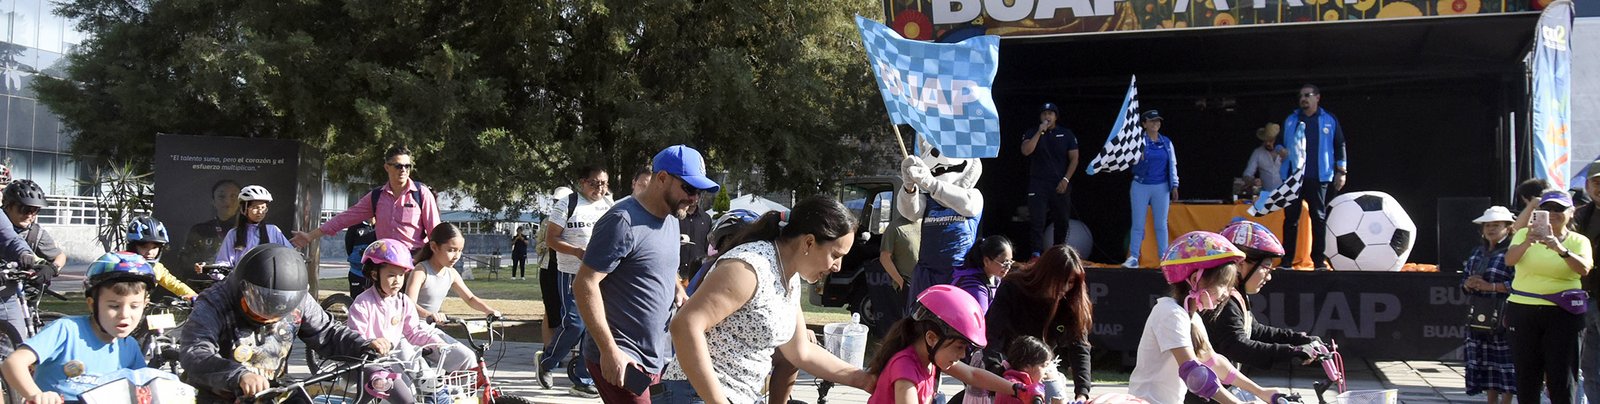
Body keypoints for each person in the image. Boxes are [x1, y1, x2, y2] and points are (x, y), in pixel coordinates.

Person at [661, 197, 874, 404]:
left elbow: (801, 351)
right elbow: (684, 325)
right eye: (836, 255)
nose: (837, 266)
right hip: (695, 394)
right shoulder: (748, 268)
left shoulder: (789, 276)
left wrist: (863, 379)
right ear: (808, 242)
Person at [575, 145, 718, 403]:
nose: (695, 198)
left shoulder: (673, 219)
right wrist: (609, 351)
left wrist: (677, 290)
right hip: (622, 356)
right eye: (689, 188)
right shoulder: (622, 221)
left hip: (655, 355)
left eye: (699, 192)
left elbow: (660, 263)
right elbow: (585, 284)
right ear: (662, 178)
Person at [179, 244, 389, 402]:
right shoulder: (214, 302)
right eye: (262, 302)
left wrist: (362, 344)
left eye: (281, 306)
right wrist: (238, 375)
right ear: (243, 288)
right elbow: (196, 352)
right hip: (219, 393)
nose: (271, 314)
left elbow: (327, 333)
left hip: (273, 391)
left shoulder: (297, 299)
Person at [1128, 232, 1283, 404]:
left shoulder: (1192, 317)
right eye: (1223, 284)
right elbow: (1193, 373)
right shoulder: (1170, 313)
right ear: (1196, 279)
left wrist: (1261, 392)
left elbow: (1214, 362)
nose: (1227, 293)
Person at [0, 252, 154, 404]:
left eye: (134, 306)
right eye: (114, 306)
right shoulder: (67, 330)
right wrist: (37, 395)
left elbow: (145, 388)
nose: (124, 314)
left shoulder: (130, 347)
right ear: (92, 304)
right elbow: (13, 363)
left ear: (144, 306)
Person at [348, 238, 475, 403]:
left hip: (395, 357)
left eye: (401, 275)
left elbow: (414, 331)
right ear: (374, 275)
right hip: (372, 362)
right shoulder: (363, 302)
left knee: (428, 378)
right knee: (406, 392)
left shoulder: (402, 301)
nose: (397, 281)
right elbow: (355, 334)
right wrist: (371, 342)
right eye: (391, 275)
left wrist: (435, 342)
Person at [867, 285, 1035, 404]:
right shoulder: (905, 369)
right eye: (959, 346)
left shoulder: (930, 357)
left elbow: (973, 375)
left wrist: (1017, 389)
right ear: (932, 338)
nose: (962, 355)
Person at [1503, 190, 1592, 404]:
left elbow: (1584, 269)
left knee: (1562, 376)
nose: (1552, 213)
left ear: (1571, 213)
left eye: (1559, 209)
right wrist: (1528, 242)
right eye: (1546, 209)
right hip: (1523, 308)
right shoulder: (1524, 234)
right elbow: (1509, 260)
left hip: (1563, 312)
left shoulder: (1579, 240)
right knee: (1527, 375)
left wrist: (1560, 248)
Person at [1201, 221, 1322, 371]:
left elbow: (1255, 331)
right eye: (1266, 268)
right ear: (1240, 264)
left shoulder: (1235, 295)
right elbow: (1237, 346)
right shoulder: (1220, 301)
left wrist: (1299, 340)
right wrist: (1291, 352)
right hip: (1201, 392)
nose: (1269, 277)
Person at [537, 165, 613, 397]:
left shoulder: (608, 205)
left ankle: (582, 377)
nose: (599, 188)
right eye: (594, 183)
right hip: (571, 272)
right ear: (582, 182)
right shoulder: (567, 204)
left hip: (600, 274)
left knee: (596, 324)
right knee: (575, 323)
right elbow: (551, 239)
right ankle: (547, 363)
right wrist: (576, 251)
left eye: (603, 183)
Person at [986, 245, 1093, 402]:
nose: (1064, 288)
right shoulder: (1013, 287)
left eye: (1070, 282)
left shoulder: (1072, 301)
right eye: (1059, 281)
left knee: (1055, 397)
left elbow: (1080, 347)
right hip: (1006, 363)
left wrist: (1082, 393)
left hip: (1041, 365)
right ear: (1045, 275)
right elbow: (992, 335)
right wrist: (996, 374)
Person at [293, 145, 442, 253]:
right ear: (387, 167)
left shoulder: (421, 193)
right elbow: (345, 218)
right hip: (384, 260)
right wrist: (310, 236)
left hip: (414, 259)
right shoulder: (377, 196)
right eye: (398, 166)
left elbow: (436, 231)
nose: (403, 170)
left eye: (407, 166)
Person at [1277, 84, 1348, 269]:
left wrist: (1341, 171)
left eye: (1307, 95)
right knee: (1291, 219)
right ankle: (1287, 261)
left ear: (1317, 97)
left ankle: (1318, 260)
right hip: (1293, 178)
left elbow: (1340, 144)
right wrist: (1280, 150)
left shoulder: (1328, 120)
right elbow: (1278, 143)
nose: (1303, 99)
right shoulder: (1291, 119)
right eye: (1300, 96)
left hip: (1318, 176)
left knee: (1318, 217)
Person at [1460, 207, 1517, 404]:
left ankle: (1506, 401)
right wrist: (1469, 284)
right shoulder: (1477, 252)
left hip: (1503, 313)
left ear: (1508, 228)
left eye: (1496, 225)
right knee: (1484, 361)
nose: (1491, 229)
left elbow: (1520, 283)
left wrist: (1492, 286)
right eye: (1487, 225)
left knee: (1505, 362)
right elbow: (1464, 280)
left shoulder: (1513, 252)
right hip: (1479, 312)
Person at [403, 224, 502, 329]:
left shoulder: (451, 273)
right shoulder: (421, 271)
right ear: (434, 247)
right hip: (410, 329)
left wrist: (488, 310)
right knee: (451, 346)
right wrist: (429, 315)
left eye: (460, 250)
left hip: (429, 329)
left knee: (455, 346)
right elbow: (409, 303)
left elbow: (470, 298)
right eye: (451, 250)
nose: (456, 256)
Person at [1122, 109, 1179, 268]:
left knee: (1161, 224)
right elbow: (1127, 160)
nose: (1156, 123)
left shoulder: (1166, 142)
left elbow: (1172, 164)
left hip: (1161, 187)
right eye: (1152, 121)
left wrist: (1174, 184)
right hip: (1140, 185)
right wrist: (1136, 156)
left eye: (1158, 121)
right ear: (1144, 124)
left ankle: (1164, 258)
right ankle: (1134, 257)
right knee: (1138, 223)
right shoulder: (1137, 141)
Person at [1022, 102, 1080, 258]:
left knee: (1062, 220)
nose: (1047, 116)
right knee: (1037, 220)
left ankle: (1059, 253)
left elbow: (1074, 158)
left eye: (1050, 114)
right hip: (1038, 182)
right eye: (1044, 114)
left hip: (1060, 182)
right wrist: (1039, 133)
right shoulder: (1032, 132)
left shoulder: (1066, 134)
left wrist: (1066, 179)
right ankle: (1036, 254)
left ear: (1056, 116)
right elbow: (1026, 151)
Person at [1572, 162, 1600, 404]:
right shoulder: (1580, 215)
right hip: (1583, 297)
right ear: (1587, 186)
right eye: (1596, 182)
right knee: (1589, 367)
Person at [211, 185, 292, 267]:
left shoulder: (273, 231)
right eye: (255, 207)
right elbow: (224, 262)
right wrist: (212, 269)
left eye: (263, 208)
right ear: (243, 209)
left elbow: (289, 255)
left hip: (269, 278)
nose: (260, 212)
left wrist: (296, 248)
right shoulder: (233, 234)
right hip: (241, 279)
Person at [123, 216, 198, 300]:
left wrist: (195, 297)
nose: (150, 252)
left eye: (154, 247)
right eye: (144, 247)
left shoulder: (157, 268)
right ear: (132, 247)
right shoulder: (120, 265)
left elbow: (175, 285)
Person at [537, 186, 573, 349]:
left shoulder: (576, 221)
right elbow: (539, 247)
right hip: (549, 268)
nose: (558, 204)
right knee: (550, 309)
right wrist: (553, 240)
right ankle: (549, 347)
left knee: (572, 310)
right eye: (556, 201)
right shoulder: (547, 222)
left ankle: (572, 350)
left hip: (570, 268)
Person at [179, 179, 239, 275]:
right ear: (213, 201)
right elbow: (186, 262)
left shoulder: (250, 230)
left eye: (233, 196)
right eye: (221, 196)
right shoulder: (199, 230)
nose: (228, 202)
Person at [4, 180, 64, 271]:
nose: (29, 215)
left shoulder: (35, 234)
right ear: (8, 206)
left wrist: (52, 269)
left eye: (35, 210)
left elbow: (60, 256)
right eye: (24, 209)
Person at [951, 236, 1013, 313]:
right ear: (986, 261)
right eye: (1005, 263)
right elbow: (982, 322)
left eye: (1010, 262)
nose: (1008, 267)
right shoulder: (974, 287)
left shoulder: (994, 278)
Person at [993, 336, 1055, 404]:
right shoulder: (1018, 390)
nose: (1047, 371)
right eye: (1044, 365)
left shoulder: (1011, 382)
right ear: (1026, 367)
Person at [1241, 123, 1283, 193]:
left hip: (1286, 195)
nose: (1267, 143)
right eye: (1265, 140)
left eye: (1270, 140)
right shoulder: (1258, 152)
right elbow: (1246, 175)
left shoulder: (1286, 151)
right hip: (1265, 195)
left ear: (1277, 139)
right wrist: (1253, 181)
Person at [679, 202, 712, 281]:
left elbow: (709, 247)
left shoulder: (706, 218)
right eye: (691, 192)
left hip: (698, 274)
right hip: (676, 273)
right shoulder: (675, 217)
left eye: (698, 193)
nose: (695, 197)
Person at [344, 220, 378, 298]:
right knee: (355, 299)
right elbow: (349, 247)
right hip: (356, 272)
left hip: (375, 273)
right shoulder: (354, 227)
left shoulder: (382, 227)